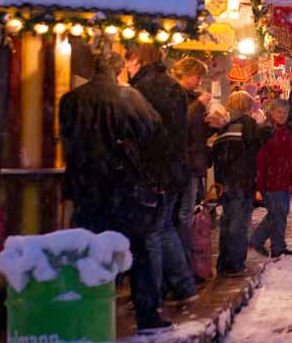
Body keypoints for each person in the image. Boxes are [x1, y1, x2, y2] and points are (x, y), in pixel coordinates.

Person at [61, 52, 170, 332]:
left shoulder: (72, 99)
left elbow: (68, 139)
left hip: (86, 186)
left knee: (89, 248)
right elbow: (153, 131)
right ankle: (147, 314)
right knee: (139, 250)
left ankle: (89, 312)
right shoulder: (128, 97)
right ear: (121, 70)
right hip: (123, 186)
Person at [125, 45, 197, 305]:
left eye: (130, 57)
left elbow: (148, 133)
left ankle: (151, 294)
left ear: (139, 57)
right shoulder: (169, 86)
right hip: (171, 168)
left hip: (155, 170)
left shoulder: (146, 88)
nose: (127, 64)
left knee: (152, 233)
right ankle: (183, 284)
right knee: (163, 227)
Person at [211, 91, 268, 276]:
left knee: (227, 220)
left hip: (224, 179)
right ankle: (235, 262)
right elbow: (257, 149)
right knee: (240, 222)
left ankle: (224, 262)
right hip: (242, 179)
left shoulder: (221, 125)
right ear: (246, 106)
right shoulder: (247, 124)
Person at [170, 56, 210, 272]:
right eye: (197, 76)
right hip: (183, 163)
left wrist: (212, 125)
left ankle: (186, 263)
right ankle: (183, 265)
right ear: (185, 74)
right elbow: (180, 125)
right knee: (183, 215)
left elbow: (196, 131)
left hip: (191, 162)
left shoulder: (189, 98)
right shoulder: (177, 97)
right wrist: (198, 106)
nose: (199, 81)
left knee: (186, 213)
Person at [251, 99, 292, 258]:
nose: (282, 115)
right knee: (277, 212)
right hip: (271, 179)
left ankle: (272, 243)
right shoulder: (267, 131)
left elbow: (290, 156)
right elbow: (261, 159)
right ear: (271, 112)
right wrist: (260, 182)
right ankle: (267, 242)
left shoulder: (285, 130)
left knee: (279, 212)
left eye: (285, 112)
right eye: (279, 112)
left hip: (283, 177)